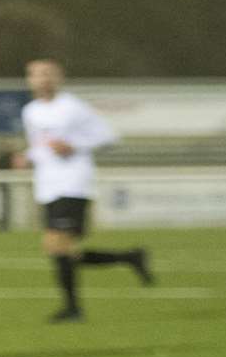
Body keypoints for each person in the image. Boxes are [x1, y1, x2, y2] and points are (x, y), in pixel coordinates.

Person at [14, 59, 153, 321]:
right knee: (63, 251)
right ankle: (130, 257)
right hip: (47, 185)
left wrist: (74, 145)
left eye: (48, 74)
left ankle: (73, 309)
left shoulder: (73, 107)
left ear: (58, 78)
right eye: (36, 75)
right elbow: (41, 145)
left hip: (73, 182)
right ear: (29, 80)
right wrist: (27, 157)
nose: (42, 79)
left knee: (57, 245)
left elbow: (109, 136)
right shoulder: (30, 111)